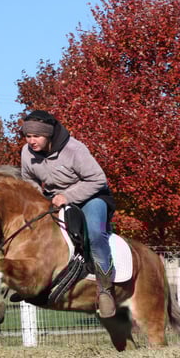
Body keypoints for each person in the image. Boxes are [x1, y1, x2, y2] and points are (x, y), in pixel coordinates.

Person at [19, 110, 117, 318]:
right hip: (54, 198)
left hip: (91, 197)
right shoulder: (27, 153)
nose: (31, 141)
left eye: (36, 136)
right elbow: (28, 179)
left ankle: (105, 290)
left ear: (48, 134)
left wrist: (68, 196)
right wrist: (39, 199)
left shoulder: (74, 149)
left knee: (95, 233)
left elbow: (98, 180)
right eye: (28, 136)